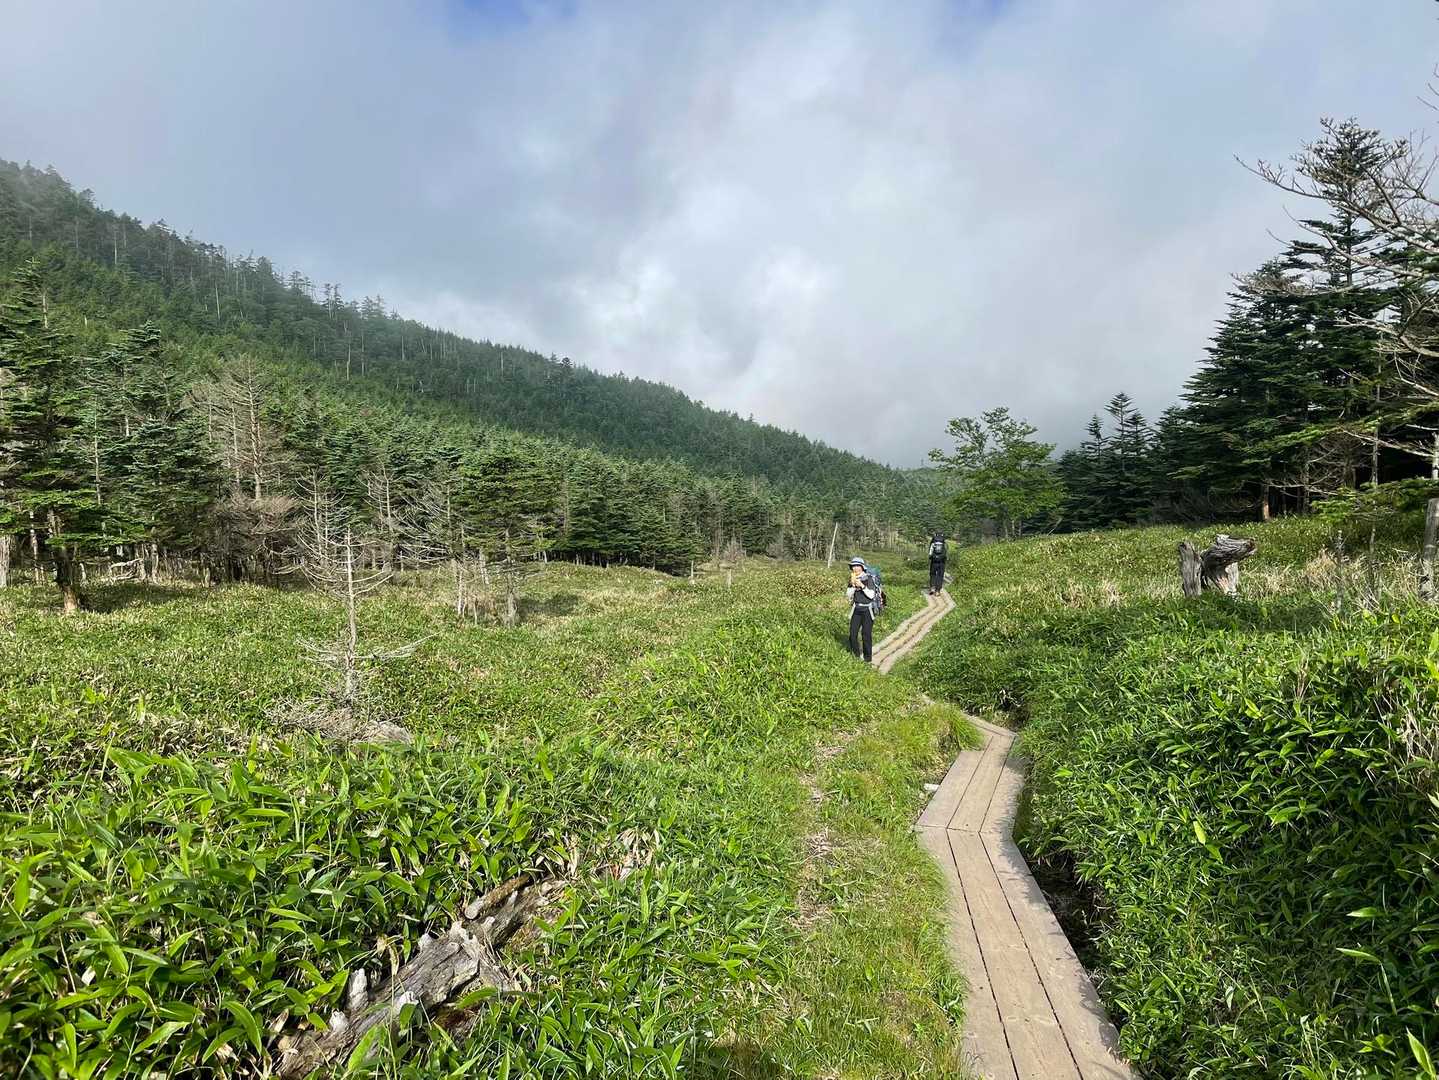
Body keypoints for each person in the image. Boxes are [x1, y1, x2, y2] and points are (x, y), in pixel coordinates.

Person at [846, 555, 878, 662]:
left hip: (867, 610)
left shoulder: (868, 578)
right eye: (853, 566)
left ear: (862, 567)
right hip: (856, 609)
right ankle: (856, 656)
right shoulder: (852, 579)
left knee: (866, 635)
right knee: (852, 634)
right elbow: (848, 595)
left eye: (857, 566)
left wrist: (862, 586)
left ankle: (867, 659)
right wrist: (853, 586)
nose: (855, 568)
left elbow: (871, 595)